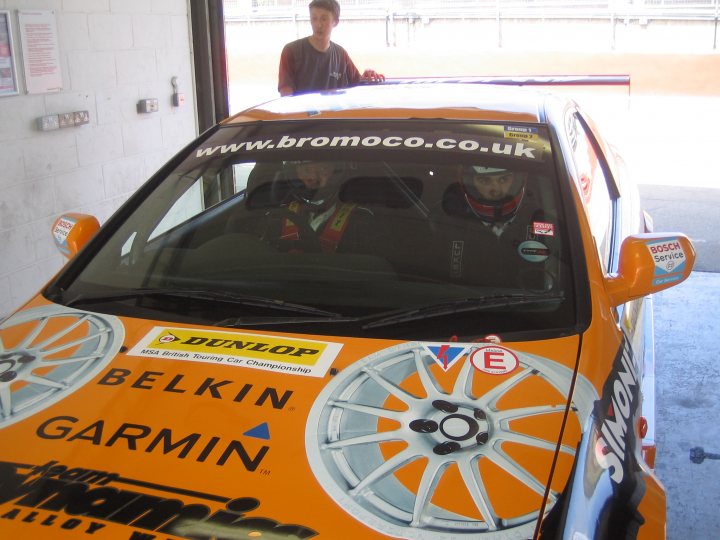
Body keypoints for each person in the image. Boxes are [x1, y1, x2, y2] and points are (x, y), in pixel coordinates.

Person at [438, 165, 554, 289]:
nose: (496, 190)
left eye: (503, 180)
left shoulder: (541, 221)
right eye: (485, 181)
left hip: (535, 305)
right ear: (471, 184)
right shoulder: (448, 225)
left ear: (515, 181)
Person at [278, 0, 384, 96]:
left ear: (335, 22)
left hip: (334, 116)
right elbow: (286, 97)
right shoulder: (291, 51)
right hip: (303, 116)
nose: (318, 24)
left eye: (324, 19)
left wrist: (368, 75)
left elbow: (358, 83)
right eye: (314, 18)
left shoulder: (341, 55)